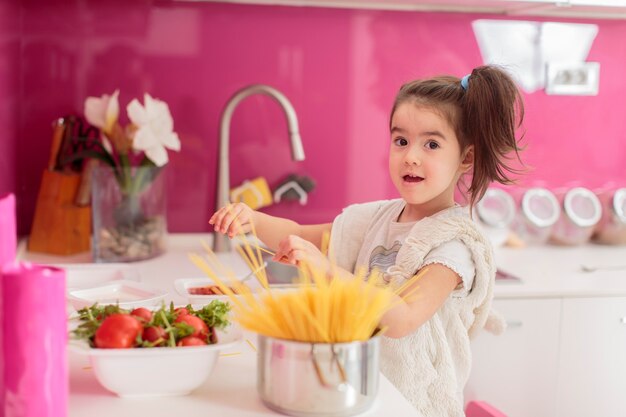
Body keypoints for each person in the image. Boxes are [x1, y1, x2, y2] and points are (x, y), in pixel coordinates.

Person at [210, 65, 525, 417]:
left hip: (410, 403)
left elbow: (403, 317)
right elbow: (299, 233)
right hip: (358, 390)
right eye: (401, 140)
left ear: (466, 157)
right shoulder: (376, 219)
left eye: (431, 144)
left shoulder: (453, 246)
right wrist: (252, 220)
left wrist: (325, 270)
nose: (411, 156)